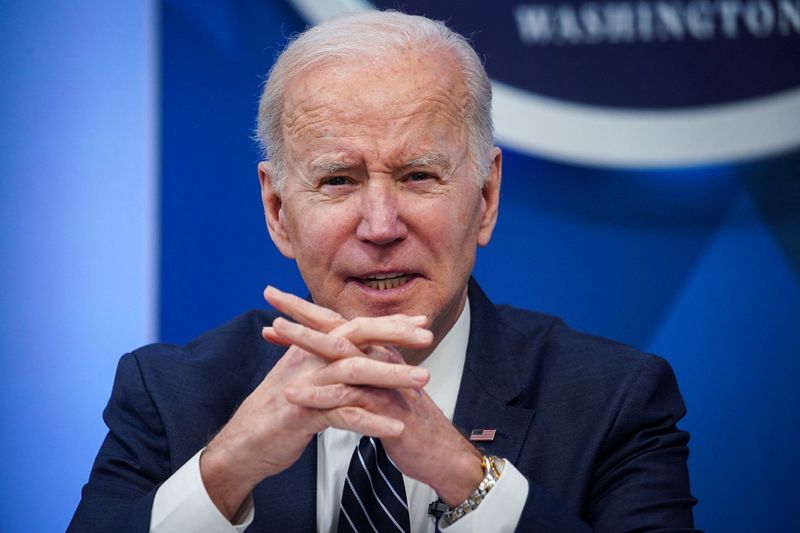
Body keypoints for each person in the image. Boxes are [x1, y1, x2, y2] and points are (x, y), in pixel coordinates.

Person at [69, 10, 697, 533]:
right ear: (278, 211)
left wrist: (461, 474)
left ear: (485, 197)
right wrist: (230, 465)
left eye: (418, 176)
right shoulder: (168, 396)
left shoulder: (615, 400)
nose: (380, 226)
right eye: (337, 181)